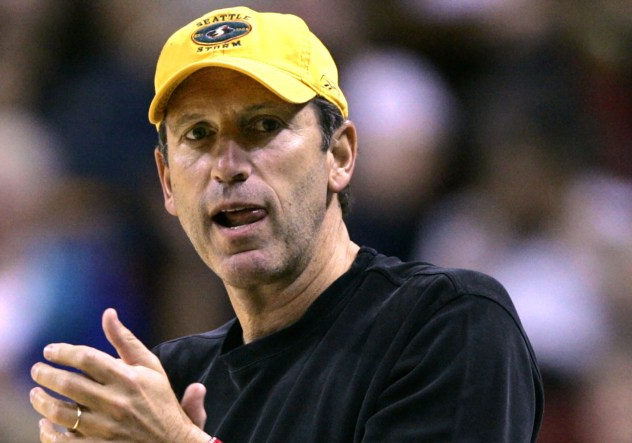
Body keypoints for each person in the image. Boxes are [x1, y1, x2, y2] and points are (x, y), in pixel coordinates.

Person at [29, 6, 544, 442]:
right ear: (167, 183)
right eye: (198, 134)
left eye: (263, 126)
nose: (227, 164)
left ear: (338, 156)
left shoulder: (448, 323)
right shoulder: (168, 381)